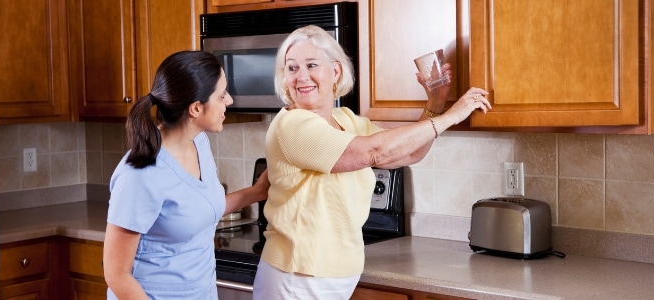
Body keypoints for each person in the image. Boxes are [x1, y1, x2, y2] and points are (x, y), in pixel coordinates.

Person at [252, 25, 492, 299]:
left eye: (311, 65)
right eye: (292, 68)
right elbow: (375, 152)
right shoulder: (292, 125)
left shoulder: (345, 119)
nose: (301, 76)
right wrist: (452, 116)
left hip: (331, 275)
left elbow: (409, 153)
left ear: (336, 71)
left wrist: (436, 103)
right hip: (296, 275)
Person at [103, 50, 270, 299]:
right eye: (222, 94)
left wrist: (256, 192)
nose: (229, 100)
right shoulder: (140, 174)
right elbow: (117, 274)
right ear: (196, 108)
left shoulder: (199, 143)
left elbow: (199, 211)